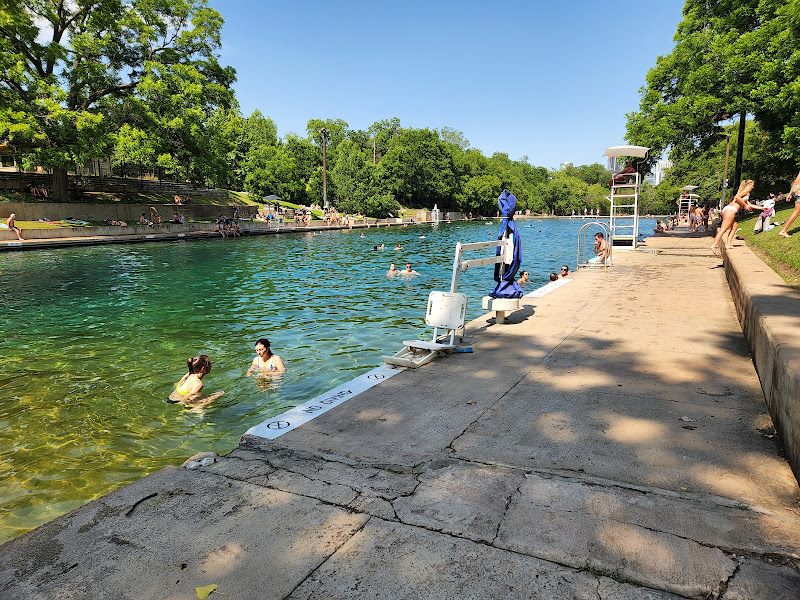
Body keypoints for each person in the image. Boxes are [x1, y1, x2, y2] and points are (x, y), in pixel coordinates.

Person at [710, 179, 760, 255]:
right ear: (749, 185)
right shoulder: (746, 191)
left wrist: (762, 208)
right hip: (730, 210)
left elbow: (749, 204)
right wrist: (745, 205)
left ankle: (728, 244)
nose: (753, 187)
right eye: (752, 185)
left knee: (734, 227)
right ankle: (713, 245)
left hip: (728, 209)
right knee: (723, 229)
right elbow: (737, 197)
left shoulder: (745, 193)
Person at [778, 170, 800, 238]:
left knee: (797, 212)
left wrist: (790, 194)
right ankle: (783, 231)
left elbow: (796, 182)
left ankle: (783, 230)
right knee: (796, 212)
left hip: (798, 191)